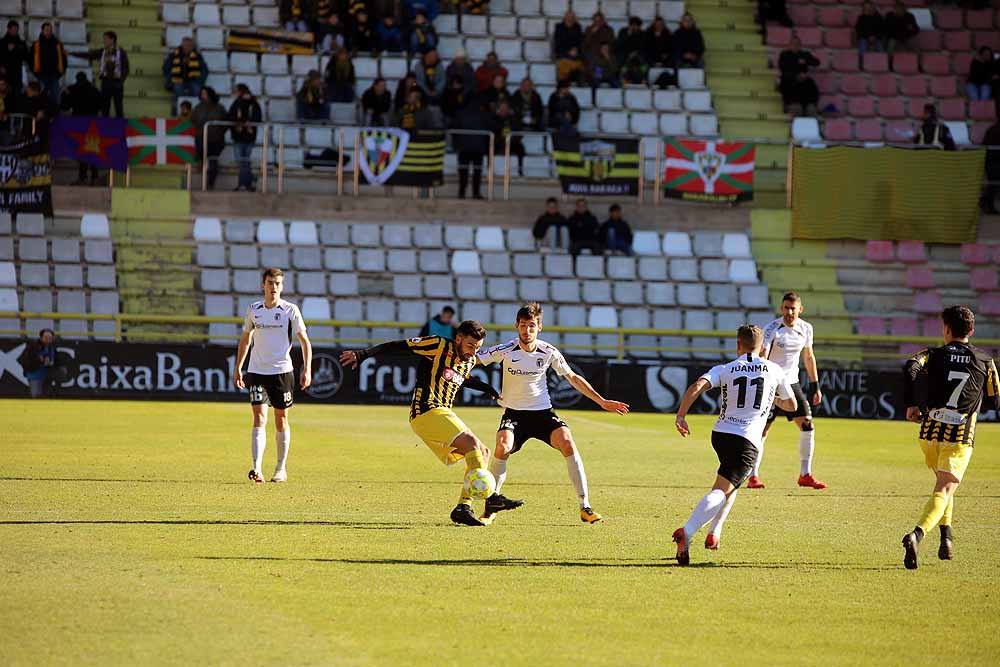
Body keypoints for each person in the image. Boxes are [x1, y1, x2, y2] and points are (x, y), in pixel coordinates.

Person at [478, 303, 630, 524]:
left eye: (531, 326)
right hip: (514, 414)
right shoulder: (505, 350)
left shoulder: (548, 351)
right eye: (523, 325)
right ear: (516, 326)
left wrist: (601, 401)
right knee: (502, 447)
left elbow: (573, 377)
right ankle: (491, 507)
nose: (527, 330)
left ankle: (585, 506)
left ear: (539, 327)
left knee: (567, 442)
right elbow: (475, 359)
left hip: (542, 414)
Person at [338, 321, 498, 526]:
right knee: (474, 445)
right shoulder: (438, 345)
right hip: (426, 409)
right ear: (458, 338)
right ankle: (490, 498)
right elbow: (400, 345)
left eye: (478, 347)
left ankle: (463, 507)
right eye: (470, 345)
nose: (474, 351)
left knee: (482, 452)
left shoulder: (467, 360)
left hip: (441, 413)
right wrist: (364, 354)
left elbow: (463, 379)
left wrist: (488, 389)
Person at [672, 325, 797, 563]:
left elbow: (697, 386)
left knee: (729, 483)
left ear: (738, 345)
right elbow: (792, 406)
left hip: (720, 434)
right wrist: (771, 399)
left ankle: (714, 532)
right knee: (721, 490)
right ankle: (687, 532)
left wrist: (681, 416)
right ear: (762, 347)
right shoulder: (774, 369)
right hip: (747, 439)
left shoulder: (726, 368)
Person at [900, 306, 999, 569]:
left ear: (946, 329)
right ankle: (917, 535)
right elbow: (996, 399)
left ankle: (947, 537)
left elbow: (910, 366)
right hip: (959, 438)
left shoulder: (931, 355)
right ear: (972, 331)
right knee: (945, 487)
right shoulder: (985, 361)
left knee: (943, 484)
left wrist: (914, 403)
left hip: (929, 433)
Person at [233, 269, 312, 484]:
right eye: (270, 283)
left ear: (282, 286)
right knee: (258, 418)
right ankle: (257, 468)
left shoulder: (290, 310)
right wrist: (238, 367)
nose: (274, 287)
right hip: (257, 372)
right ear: (263, 285)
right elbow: (245, 339)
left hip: (282, 373)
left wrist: (307, 369)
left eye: (277, 283)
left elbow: (305, 341)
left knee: (281, 420)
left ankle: (280, 467)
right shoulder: (253, 310)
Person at [749, 291, 827, 490]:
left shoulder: (806, 329)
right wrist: (762, 384)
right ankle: (753, 475)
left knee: (807, 425)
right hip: (772, 383)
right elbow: (763, 355)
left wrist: (815, 386)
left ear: (801, 309)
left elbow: (808, 357)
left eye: (793, 308)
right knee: (763, 430)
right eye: (786, 308)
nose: (789, 312)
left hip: (791, 384)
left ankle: (805, 474)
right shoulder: (772, 329)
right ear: (781, 308)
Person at [72, 31, 129, 118]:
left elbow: (126, 68)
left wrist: (121, 82)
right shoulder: (102, 51)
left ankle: (120, 129)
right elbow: (88, 55)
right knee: (104, 108)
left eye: (105, 39)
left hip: (117, 83)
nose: (104, 41)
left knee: (119, 108)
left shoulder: (121, 52)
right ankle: (105, 129)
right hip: (105, 83)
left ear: (112, 40)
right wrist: (72, 54)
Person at [60, 72, 103, 186]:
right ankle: (94, 177)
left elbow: (65, 106)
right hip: (93, 124)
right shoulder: (94, 90)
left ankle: (82, 177)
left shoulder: (72, 89)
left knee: (81, 152)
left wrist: (65, 94)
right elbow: (101, 106)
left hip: (78, 124)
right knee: (92, 151)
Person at [450, 98, 489, 199]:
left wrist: (456, 145)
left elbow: (454, 128)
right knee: (477, 171)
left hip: (464, 147)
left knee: (463, 171)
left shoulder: (460, 113)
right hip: (478, 147)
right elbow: (490, 127)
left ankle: (461, 192)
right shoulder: (482, 113)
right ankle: (476, 193)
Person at [191, 86, 227, 190]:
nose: (203, 95)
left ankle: (210, 183)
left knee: (213, 162)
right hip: (200, 139)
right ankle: (204, 183)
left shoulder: (219, 107)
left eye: (205, 93)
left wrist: (220, 132)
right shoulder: (198, 108)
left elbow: (225, 122)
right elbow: (192, 122)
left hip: (216, 139)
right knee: (203, 161)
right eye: (202, 93)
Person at [228, 83, 262, 191]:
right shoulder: (237, 103)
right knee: (242, 161)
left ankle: (243, 184)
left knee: (243, 161)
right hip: (239, 136)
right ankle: (250, 180)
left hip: (249, 136)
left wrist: (249, 123)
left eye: (237, 91)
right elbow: (231, 116)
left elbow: (257, 118)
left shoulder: (253, 103)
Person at [778, 36, 820, 115]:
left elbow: (817, 62)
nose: (795, 46)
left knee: (810, 83)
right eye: (793, 44)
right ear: (789, 45)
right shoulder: (784, 55)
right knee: (787, 83)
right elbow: (783, 68)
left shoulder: (804, 54)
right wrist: (796, 75)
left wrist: (806, 61)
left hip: (804, 80)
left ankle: (810, 105)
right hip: (790, 80)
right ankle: (791, 105)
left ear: (800, 45)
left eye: (797, 44)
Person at [162, 37, 207, 106]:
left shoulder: (198, 56)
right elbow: (166, 68)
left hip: (193, 80)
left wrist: (199, 80)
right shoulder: (173, 55)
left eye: (189, 45)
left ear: (192, 47)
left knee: (197, 89)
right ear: (182, 45)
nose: (187, 47)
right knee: (178, 89)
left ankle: (194, 107)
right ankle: (179, 108)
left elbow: (204, 70)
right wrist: (171, 79)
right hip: (178, 80)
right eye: (185, 45)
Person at [29, 22, 66, 107]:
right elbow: (30, 60)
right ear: (42, 31)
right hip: (41, 75)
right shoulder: (36, 44)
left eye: (50, 30)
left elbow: (63, 59)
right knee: (41, 99)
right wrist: (36, 74)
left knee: (55, 99)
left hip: (54, 76)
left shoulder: (58, 44)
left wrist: (59, 73)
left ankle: (55, 117)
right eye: (46, 30)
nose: (48, 32)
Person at [492, 100, 524, 175]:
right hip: (498, 142)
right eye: (502, 108)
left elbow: (519, 132)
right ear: (499, 109)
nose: (504, 110)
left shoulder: (514, 119)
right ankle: (490, 170)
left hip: (512, 142)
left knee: (520, 148)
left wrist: (513, 139)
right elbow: (492, 130)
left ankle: (520, 170)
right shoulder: (494, 118)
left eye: (506, 108)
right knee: (489, 147)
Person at [23, 328, 56, 398]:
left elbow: (53, 359)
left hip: (47, 375)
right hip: (34, 374)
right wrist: (39, 360)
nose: (48, 339)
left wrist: (51, 362)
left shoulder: (51, 347)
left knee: (45, 396)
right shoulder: (33, 346)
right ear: (41, 337)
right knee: (36, 396)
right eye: (46, 337)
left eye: (50, 338)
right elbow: (26, 359)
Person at [0, 21, 28, 93]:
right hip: (5, 73)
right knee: (6, 94)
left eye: (16, 30)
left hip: (17, 73)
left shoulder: (21, 43)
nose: (15, 31)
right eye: (13, 29)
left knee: (17, 93)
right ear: (8, 30)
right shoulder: (2, 42)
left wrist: (15, 48)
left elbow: (26, 55)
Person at [981, 121, 1000, 214]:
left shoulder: (992, 129)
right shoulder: (993, 130)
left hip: (991, 162)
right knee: (995, 178)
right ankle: (987, 202)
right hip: (993, 162)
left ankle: (985, 200)